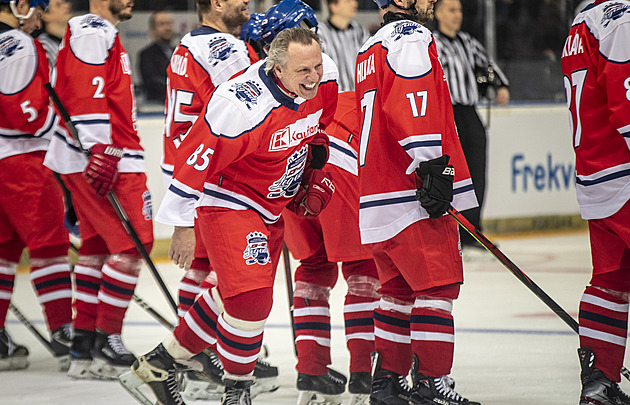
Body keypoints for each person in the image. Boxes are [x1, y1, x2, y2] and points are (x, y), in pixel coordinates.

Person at [119, 27, 339, 405]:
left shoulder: (326, 77)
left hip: (271, 204)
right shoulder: (239, 106)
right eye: (303, 70)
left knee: (234, 296)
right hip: (230, 199)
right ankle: (237, 393)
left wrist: (313, 157)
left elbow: (318, 123)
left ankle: (157, 367)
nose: (314, 76)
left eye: (317, 66)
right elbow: (191, 163)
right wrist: (183, 226)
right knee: (251, 302)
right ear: (277, 68)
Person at [354, 0, 480, 403]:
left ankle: (388, 383)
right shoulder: (412, 37)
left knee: (397, 291)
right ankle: (432, 384)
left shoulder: (369, 46)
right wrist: (433, 168)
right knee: (437, 286)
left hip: (376, 192)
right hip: (411, 190)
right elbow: (412, 104)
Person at [159, 0, 279, 400]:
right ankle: (204, 358)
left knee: (206, 268)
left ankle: (201, 356)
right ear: (215, 4)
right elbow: (254, 100)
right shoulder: (222, 48)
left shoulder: (191, 44)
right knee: (227, 273)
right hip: (211, 173)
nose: (247, 2)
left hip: (190, 166)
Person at [43, 0, 154, 380]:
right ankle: (108, 338)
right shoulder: (93, 28)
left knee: (97, 247)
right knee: (135, 244)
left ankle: (83, 349)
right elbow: (84, 93)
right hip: (107, 158)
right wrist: (99, 149)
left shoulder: (95, 30)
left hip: (92, 155)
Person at [283, 91, 379, 405]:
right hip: (337, 166)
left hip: (290, 169)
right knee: (363, 268)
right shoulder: (365, 99)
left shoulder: (284, 92)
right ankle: (365, 375)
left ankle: (311, 371)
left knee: (313, 267)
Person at [561, 2, 630, 404]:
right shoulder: (621, 18)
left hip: (596, 174)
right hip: (623, 170)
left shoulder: (581, 24)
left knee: (610, 281)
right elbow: (626, 100)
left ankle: (600, 382)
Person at [0, 0, 73, 371]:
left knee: (4, 252)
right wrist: (69, 136)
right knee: (50, 246)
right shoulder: (18, 42)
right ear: (21, 6)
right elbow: (24, 112)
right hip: (23, 160)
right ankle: (65, 332)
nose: (41, 17)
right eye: (38, 8)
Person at [432, 0, 509, 251]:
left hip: (469, 112)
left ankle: (473, 230)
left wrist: (501, 86)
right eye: (452, 10)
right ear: (438, 12)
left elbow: (489, 66)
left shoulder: (467, 41)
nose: (457, 15)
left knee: (477, 171)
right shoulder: (431, 42)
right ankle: (451, 231)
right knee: (451, 173)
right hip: (445, 114)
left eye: (459, 10)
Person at [316, 0, 369, 91]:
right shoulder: (319, 33)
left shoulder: (360, 31)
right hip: (334, 97)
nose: (354, 4)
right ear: (333, 6)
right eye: (347, 1)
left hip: (358, 96)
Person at [138, 10, 174, 104]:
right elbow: (151, 82)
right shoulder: (146, 55)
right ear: (152, 30)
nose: (167, 28)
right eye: (162, 24)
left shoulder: (179, 52)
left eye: (169, 23)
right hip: (156, 106)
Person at [34, 0, 71, 72]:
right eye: (58, 5)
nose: (67, 5)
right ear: (45, 16)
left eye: (64, 2)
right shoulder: (42, 47)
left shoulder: (74, 39)